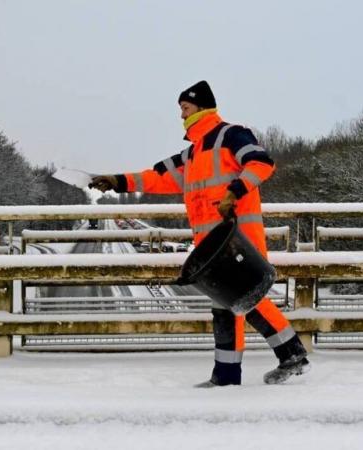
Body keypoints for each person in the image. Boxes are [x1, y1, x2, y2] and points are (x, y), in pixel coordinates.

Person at [89, 80, 310, 386]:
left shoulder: (231, 135)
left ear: (202, 107)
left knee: (246, 299)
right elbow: (157, 177)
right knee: (226, 304)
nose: (181, 115)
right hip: (213, 244)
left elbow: (261, 162)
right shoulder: (192, 155)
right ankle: (232, 373)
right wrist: (118, 181)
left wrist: (235, 190)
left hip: (238, 238)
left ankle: (285, 359)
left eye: (185, 108)